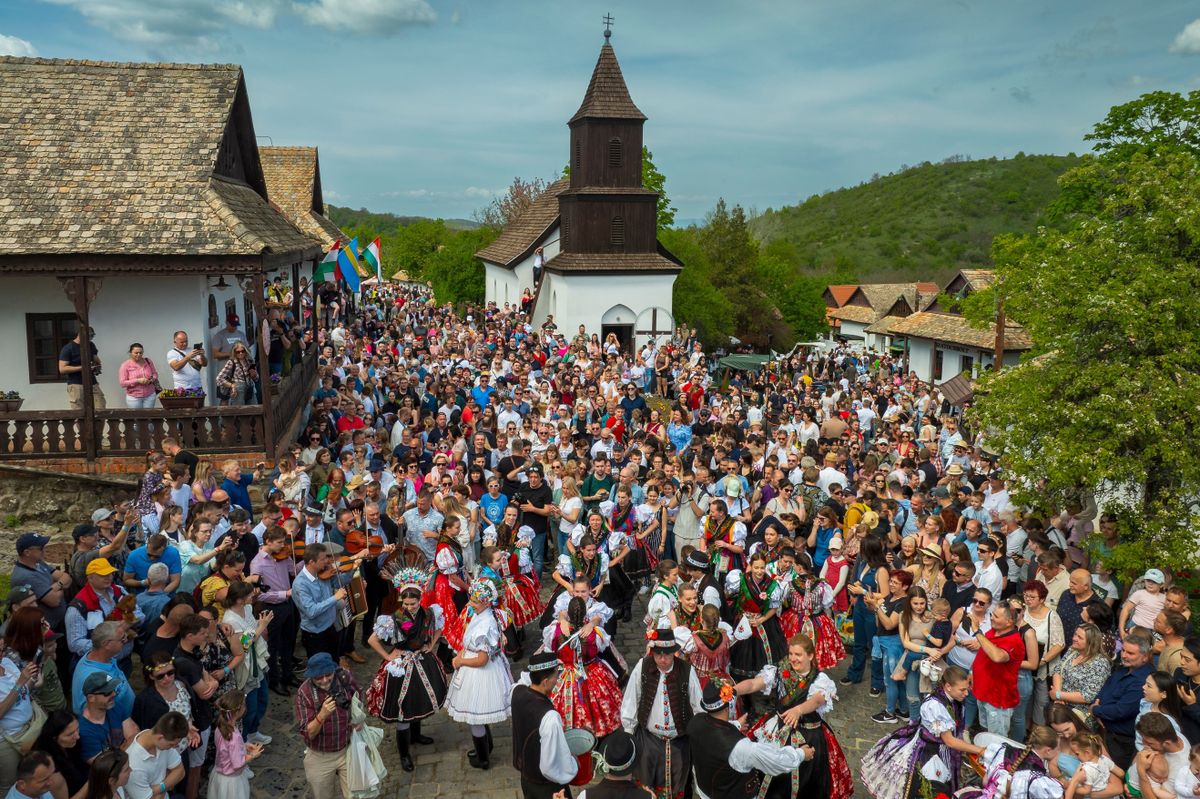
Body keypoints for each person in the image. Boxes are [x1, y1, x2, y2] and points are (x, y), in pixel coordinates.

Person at [733, 633, 851, 799]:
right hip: (779, 728)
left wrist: (798, 710)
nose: (793, 659)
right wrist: (733, 690)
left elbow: (817, 700)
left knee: (807, 780)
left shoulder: (820, 680)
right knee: (773, 774)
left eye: (798, 655)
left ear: (810, 656)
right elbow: (754, 683)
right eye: (791, 654)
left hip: (809, 735)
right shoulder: (779, 670)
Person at [364, 568, 448, 772]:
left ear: (420, 599)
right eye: (406, 603)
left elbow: (439, 627)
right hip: (402, 666)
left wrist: (432, 644)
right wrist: (388, 656)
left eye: (413, 603)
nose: (409, 607)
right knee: (403, 708)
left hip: (423, 661)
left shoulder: (429, 613)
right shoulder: (393, 618)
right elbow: (372, 639)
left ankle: (416, 735)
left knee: (418, 699)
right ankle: (404, 754)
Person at [860, 665, 985, 799]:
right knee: (924, 788)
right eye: (963, 689)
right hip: (927, 752)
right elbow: (949, 740)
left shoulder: (952, 700)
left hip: (941, 750)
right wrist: (979, 750)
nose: (966, 693)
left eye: (967, 688)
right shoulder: (935, 706)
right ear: (948, 686)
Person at [619, 620, 703, 799]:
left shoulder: (687, 671)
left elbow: (698, 707)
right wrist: (629, 732)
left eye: (667, 655)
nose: (662, 659)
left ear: (675, 653)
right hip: (649, 740)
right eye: (658, 655)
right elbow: (631, 699)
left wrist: (699, 737)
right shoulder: (643, 666)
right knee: (646, 787)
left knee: (679, 786)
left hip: (679, 741)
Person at [446, 579, 512, 771]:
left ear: (485, 602)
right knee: (479, 715)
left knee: (476, 715)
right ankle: (486, 748)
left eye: (474, 601)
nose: (469, 604)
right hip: (480, 667)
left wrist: (460, 661)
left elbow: (482, 660)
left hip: (481, 672)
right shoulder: (485, 613)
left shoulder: (485, 625)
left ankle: (483, 759)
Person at [510, 652, 578, 799]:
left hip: (526, 779)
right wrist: (573, 764)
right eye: (555, 676)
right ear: (545, 681)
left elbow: (525, 678)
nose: (557, 680)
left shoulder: (517, 691)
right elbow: (550, 767)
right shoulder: (550, 717)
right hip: (549, 789)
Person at [294, 652, 362, 799]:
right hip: (320, 755)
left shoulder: (344, 677)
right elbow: (308, 733)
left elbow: (358, 695)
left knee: (356, 795)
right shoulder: (304, 693)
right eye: (318, 677)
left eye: (328, 674)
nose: (324, 680)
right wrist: (322, 715)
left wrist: (359, 718)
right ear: (311, 676)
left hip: (348, 749)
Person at [1093, 626, 1155, 770]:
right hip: (1106, 733)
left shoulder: (1144, 680)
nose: (1124, 655)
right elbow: (1106, 686)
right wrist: (1097, 703)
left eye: (1131, 653)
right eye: (1124, 651)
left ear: (1145, 657)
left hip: (1121, 741)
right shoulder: (1124, 668)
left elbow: (1122, 710)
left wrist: (1096, 710)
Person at [956, 725, 1063, 799]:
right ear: (1048, 750)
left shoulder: (1002, 750)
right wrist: (1075, 779)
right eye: (1058, 749)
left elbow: (985, 781)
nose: (1059, 752)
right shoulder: (1038, 779)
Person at [972, 602, 1025, 737]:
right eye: (992, 614)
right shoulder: (994, 631)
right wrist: (971, 672)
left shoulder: (1015, 641)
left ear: (1009, 622)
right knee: (985, 732)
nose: (991, 618)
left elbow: (997, 656)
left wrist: (977, 631)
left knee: (996, 740)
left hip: (998, 700)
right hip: (984, 693)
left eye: (996, 616)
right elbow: (984, 652)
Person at [293, 544, 349, 661]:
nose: (328, 561)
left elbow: (341, 582)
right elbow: (311, 611)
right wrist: (335, 598)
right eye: (323, 559)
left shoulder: (323, 573)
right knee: (320, 669)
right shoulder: (300, 584)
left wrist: (352, 567)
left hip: (331, 627)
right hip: (315, 635)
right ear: (312, 562)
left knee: (334, 662)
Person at [208, 692, 262, 799]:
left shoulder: (221, 726)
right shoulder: (234, 735)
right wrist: (252, 755)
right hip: (232, 782)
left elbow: (226, 748)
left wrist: (244, 745)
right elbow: (237, 764)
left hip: (219, 775)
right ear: (239, 710)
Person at [77, 673, 138, 763]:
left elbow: (135, 736)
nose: (114, 694)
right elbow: (105, 766)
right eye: (107, 692)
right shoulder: (84, 730)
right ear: (91, 698)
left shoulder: (114, 705)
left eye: (114, 689)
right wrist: (127, 746)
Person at [124, 712, 187, 799]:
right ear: (160, 737)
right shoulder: (133, 765)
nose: (172, 748)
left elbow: (180, 772)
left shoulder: (161, 742)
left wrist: (158, 788)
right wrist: (169, 780)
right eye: (171, 745)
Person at [32, 711, 87, 799]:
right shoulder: (49, 768)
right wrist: (91, 783)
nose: (77, 736)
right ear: (54, 738)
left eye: (77, 729)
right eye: (70, 734)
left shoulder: (73, 743)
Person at [58, 326, 106, 410]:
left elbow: (96, 359)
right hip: (76, 383)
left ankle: (98, 423)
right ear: (81, 335)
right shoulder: (68, 348)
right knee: (79, 412)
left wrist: (97, 365)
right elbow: (62, 369)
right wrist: (83, 368)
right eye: (90, 336)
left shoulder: (91, 345)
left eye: (92, 336)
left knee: (100, 407)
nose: (91, 338)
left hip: (92, 382)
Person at [118, 343, 160, 409]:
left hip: (150, 395)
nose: (139, 355)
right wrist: (138, 380)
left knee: (148, 416)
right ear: (130, 353)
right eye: (136, 353)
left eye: (141, 353)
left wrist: (151, 380)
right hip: (134, 397)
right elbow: (122, 383)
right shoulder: (125, 365)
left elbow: (155, 374)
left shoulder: (148, 361)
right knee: (137, 417)